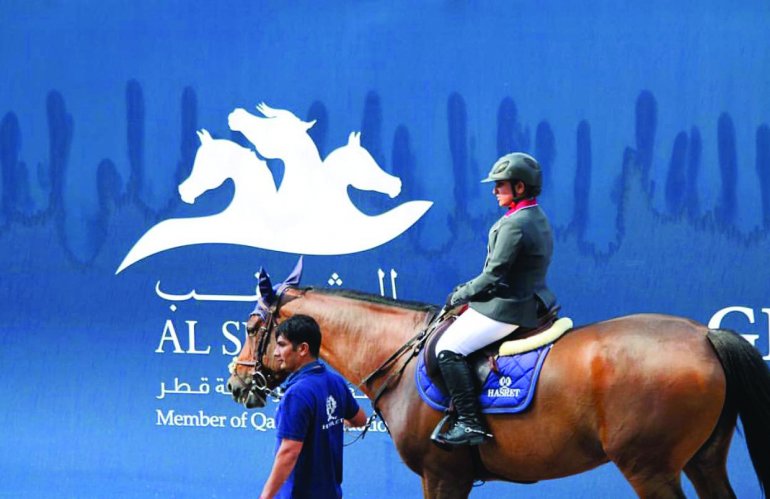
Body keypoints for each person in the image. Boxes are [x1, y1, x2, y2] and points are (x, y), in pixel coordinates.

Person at [434, 152, 557, 447]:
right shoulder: (535, 216)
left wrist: (459, 294)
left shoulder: (515, 224)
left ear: (520, 187)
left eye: (500, 184)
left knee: (447, 347)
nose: (494, 190)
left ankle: (470, 423)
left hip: (510, 307)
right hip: (531, 297)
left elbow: (492, 276)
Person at [260, 315, 367, 499]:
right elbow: (360, 420)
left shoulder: (297, 394)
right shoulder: (335, 381)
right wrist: (326, 423)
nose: (276, 353)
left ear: (302, 349)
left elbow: (288, 452)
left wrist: (265, 497)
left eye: (282, 345)